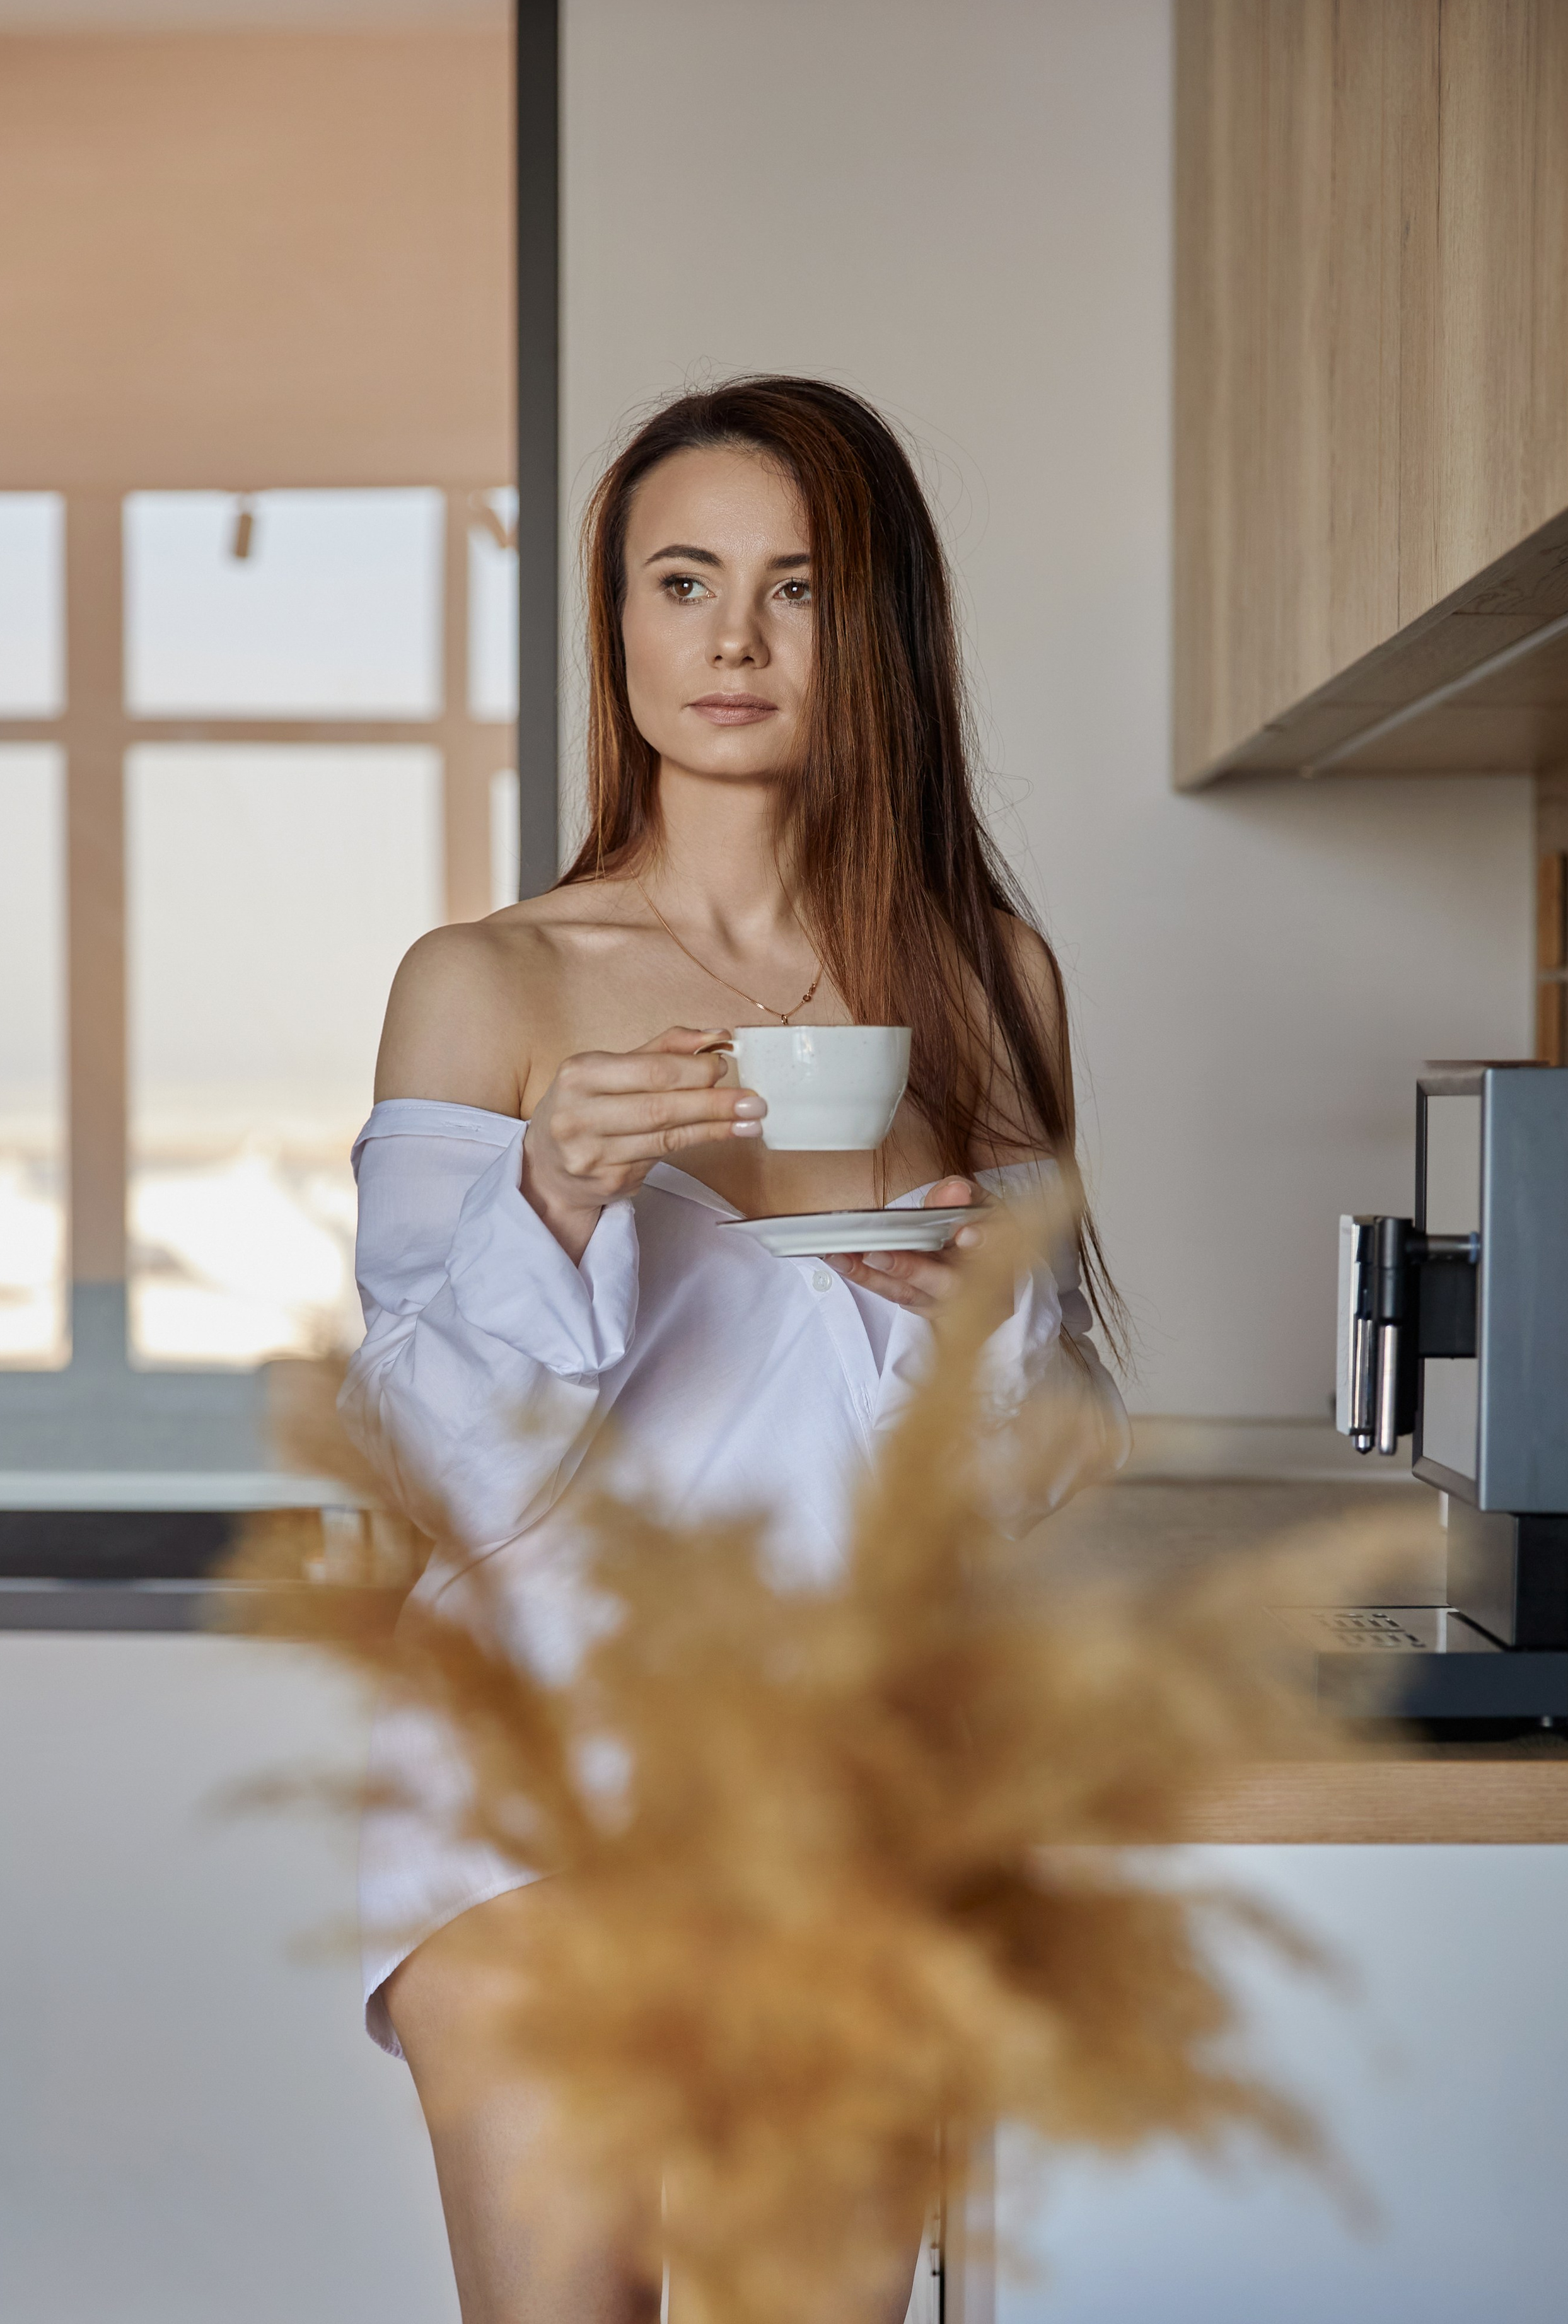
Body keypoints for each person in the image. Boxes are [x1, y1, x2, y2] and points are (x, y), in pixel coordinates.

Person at [342, 376, 1127, 2323]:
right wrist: (556, 1201)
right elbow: (426, 1469)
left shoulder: (983, 978)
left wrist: (964, 1334)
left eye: (798, 591)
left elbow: (1049, 1453)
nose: (737, 642)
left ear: (879, 636)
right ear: (615, 623)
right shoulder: (492, 986)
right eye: (683, 583)